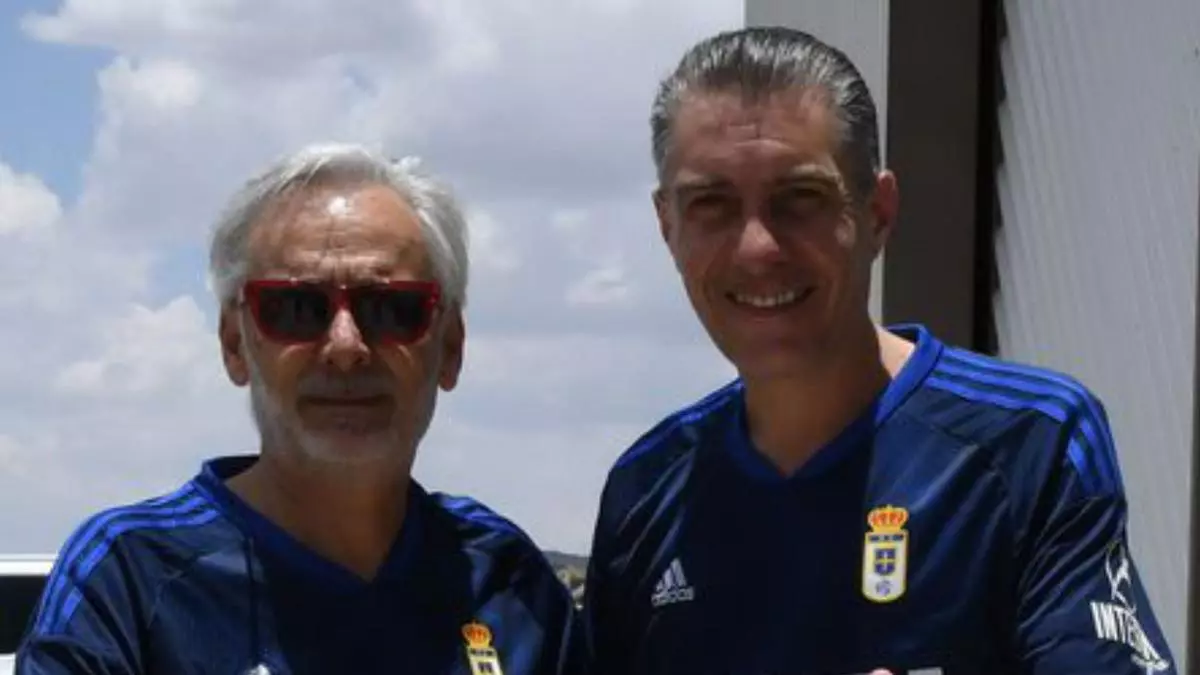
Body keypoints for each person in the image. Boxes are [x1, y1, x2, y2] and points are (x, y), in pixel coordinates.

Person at [582, 25, 1177, 675]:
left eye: (799, 199)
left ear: (878, 213)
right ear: (667, 225)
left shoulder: (1032, 441)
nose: (757, 248)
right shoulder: (644, 491)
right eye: (711, 205)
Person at [18, 143, 585, 674]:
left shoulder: (508, 581)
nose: (345, 346)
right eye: (296, 307)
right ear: (234, 344)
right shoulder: (128, 580)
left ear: (451, 348)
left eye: (390, 309)